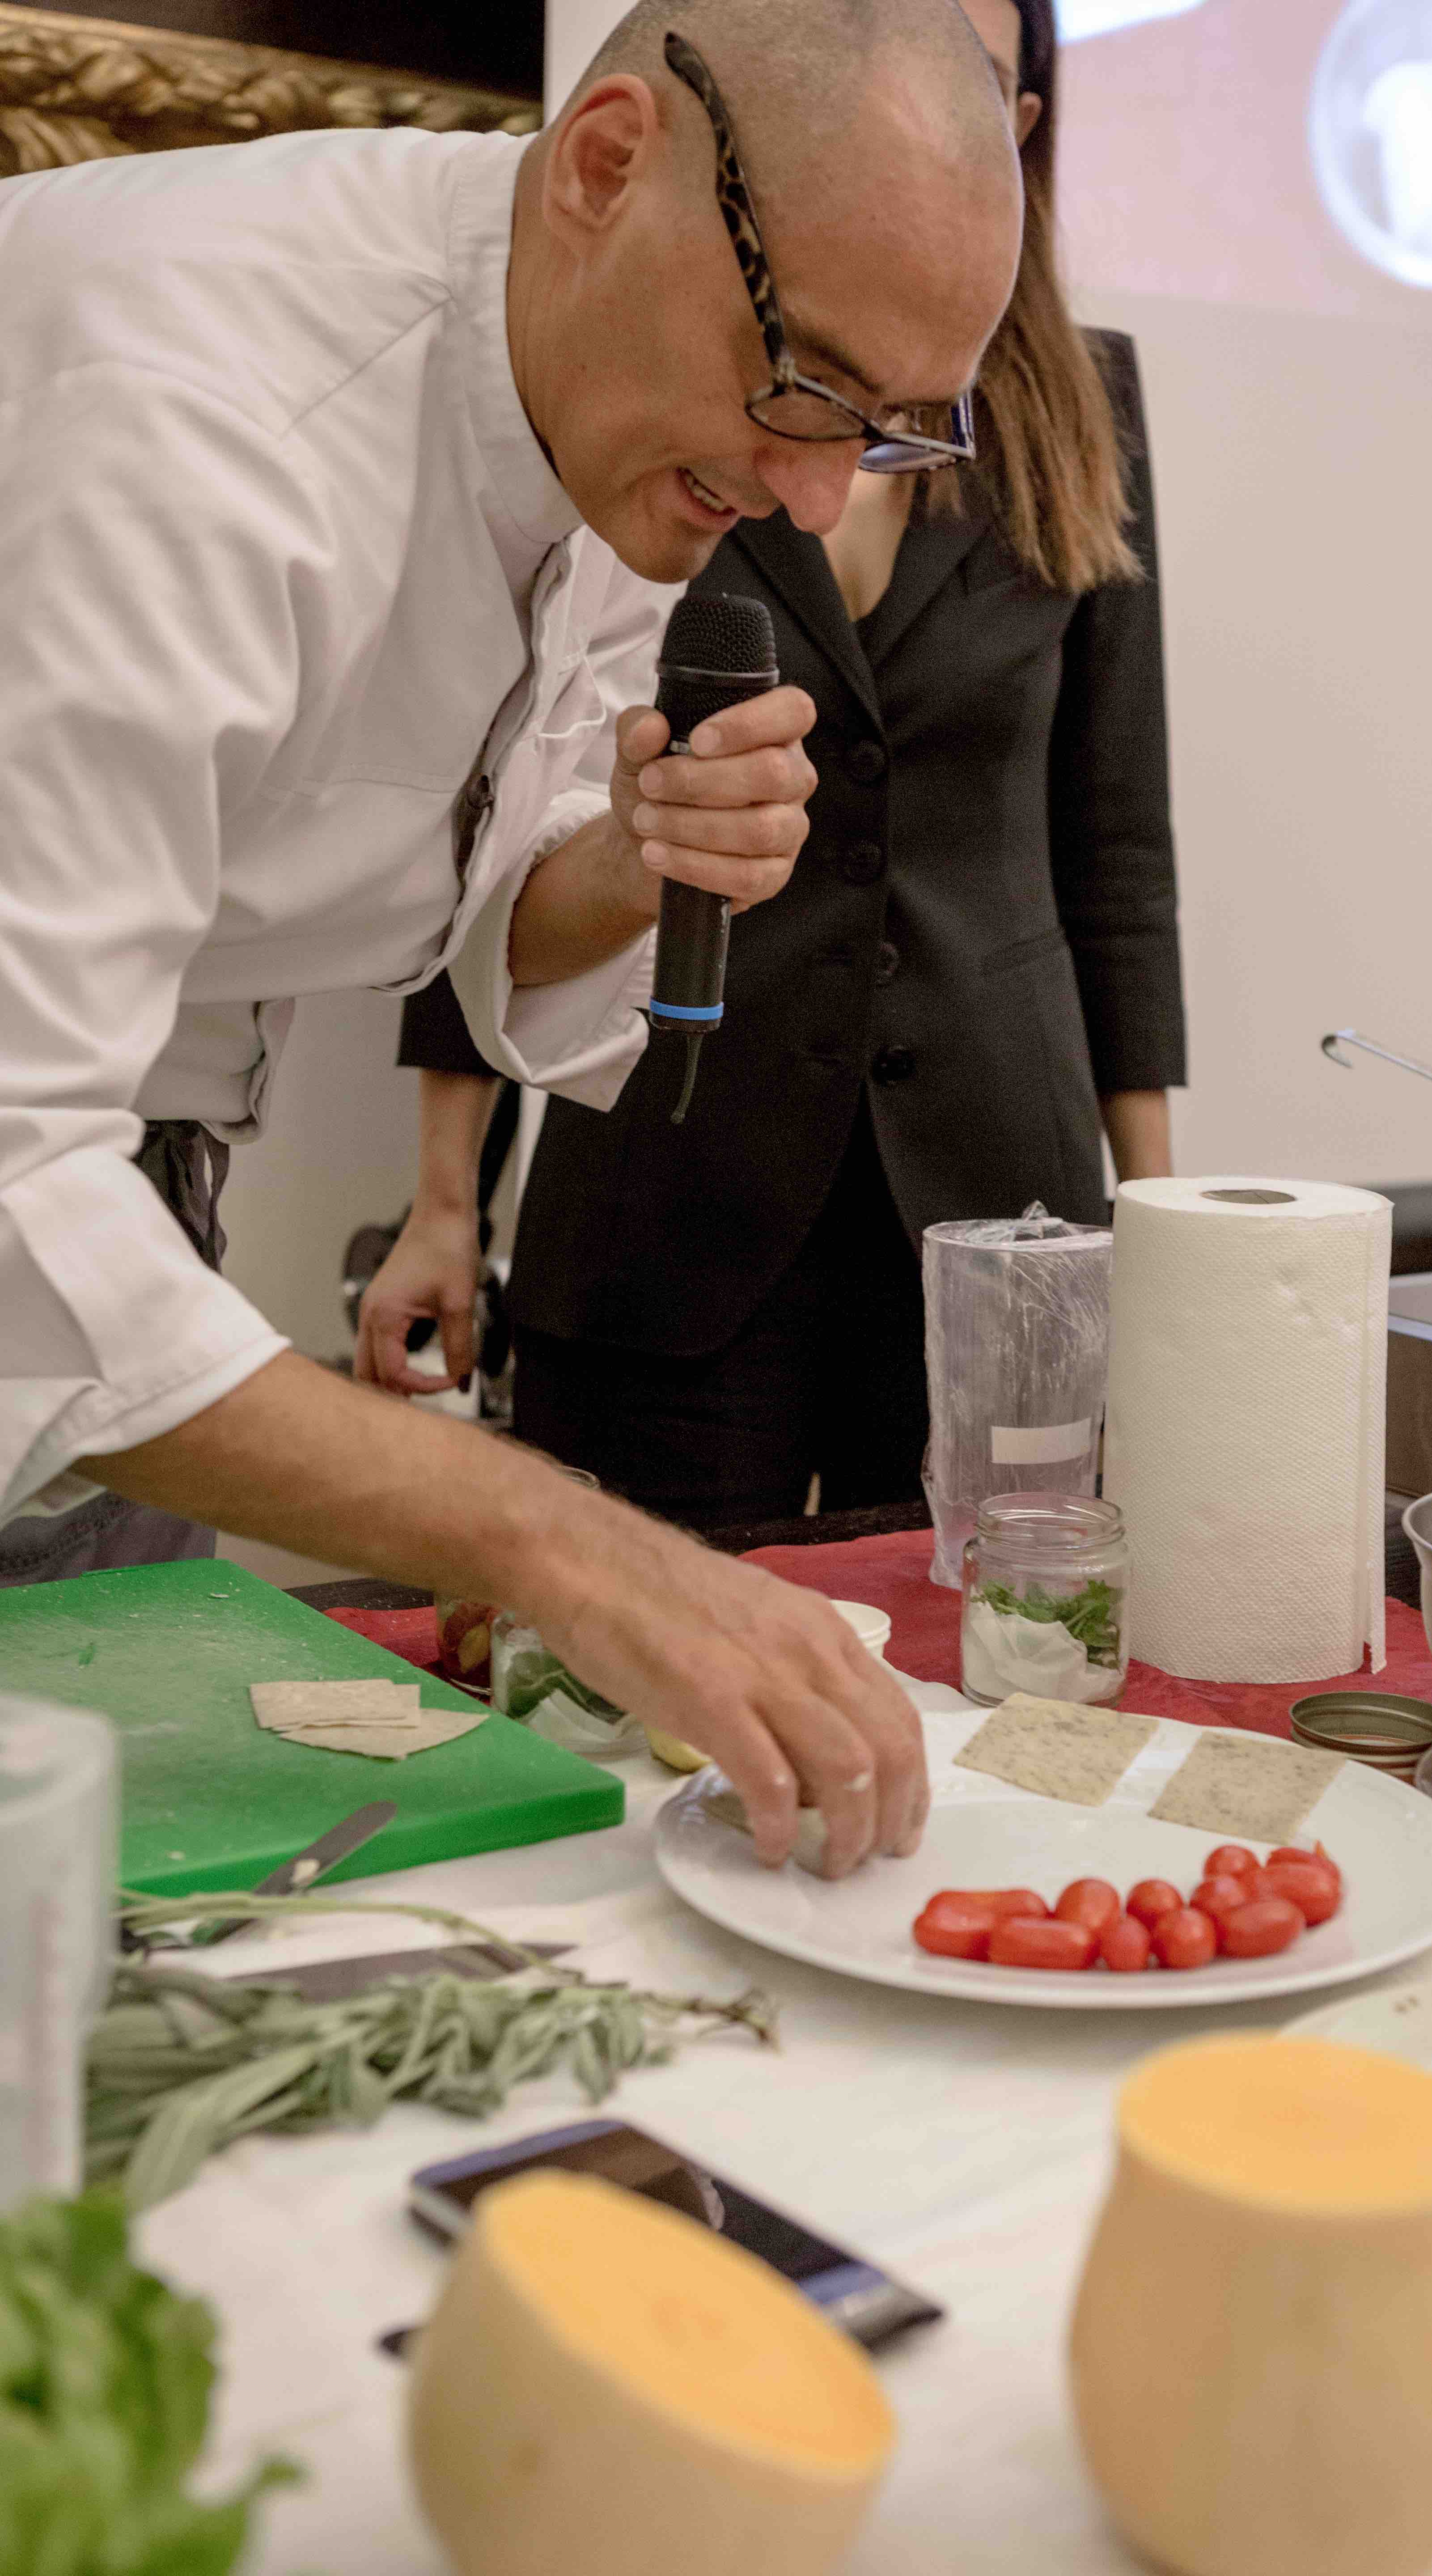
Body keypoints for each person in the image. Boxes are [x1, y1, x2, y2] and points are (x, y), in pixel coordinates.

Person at [0, 0, 1027, 1875]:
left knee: (104, 1892)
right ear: (610, 163)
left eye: (889, 430)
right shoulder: (199, 418)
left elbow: (477, 913)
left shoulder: (616, 395)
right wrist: (568, 1542)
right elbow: (10, 1189)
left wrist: (630, 859)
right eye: (805, 383)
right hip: (51, 1210)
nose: (813, 497)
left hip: (139, 1211)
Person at [362, 0, 1184, 1531]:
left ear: (1017, 122)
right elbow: (493, 801)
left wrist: (1158, 1228)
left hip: (994, 1187)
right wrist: (442, 1199)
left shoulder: (1088, 401)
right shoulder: (657, 373)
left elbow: (1117, 848)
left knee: (988, 1641)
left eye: (972, 72)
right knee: (627, 1635)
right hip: (665, 1162)